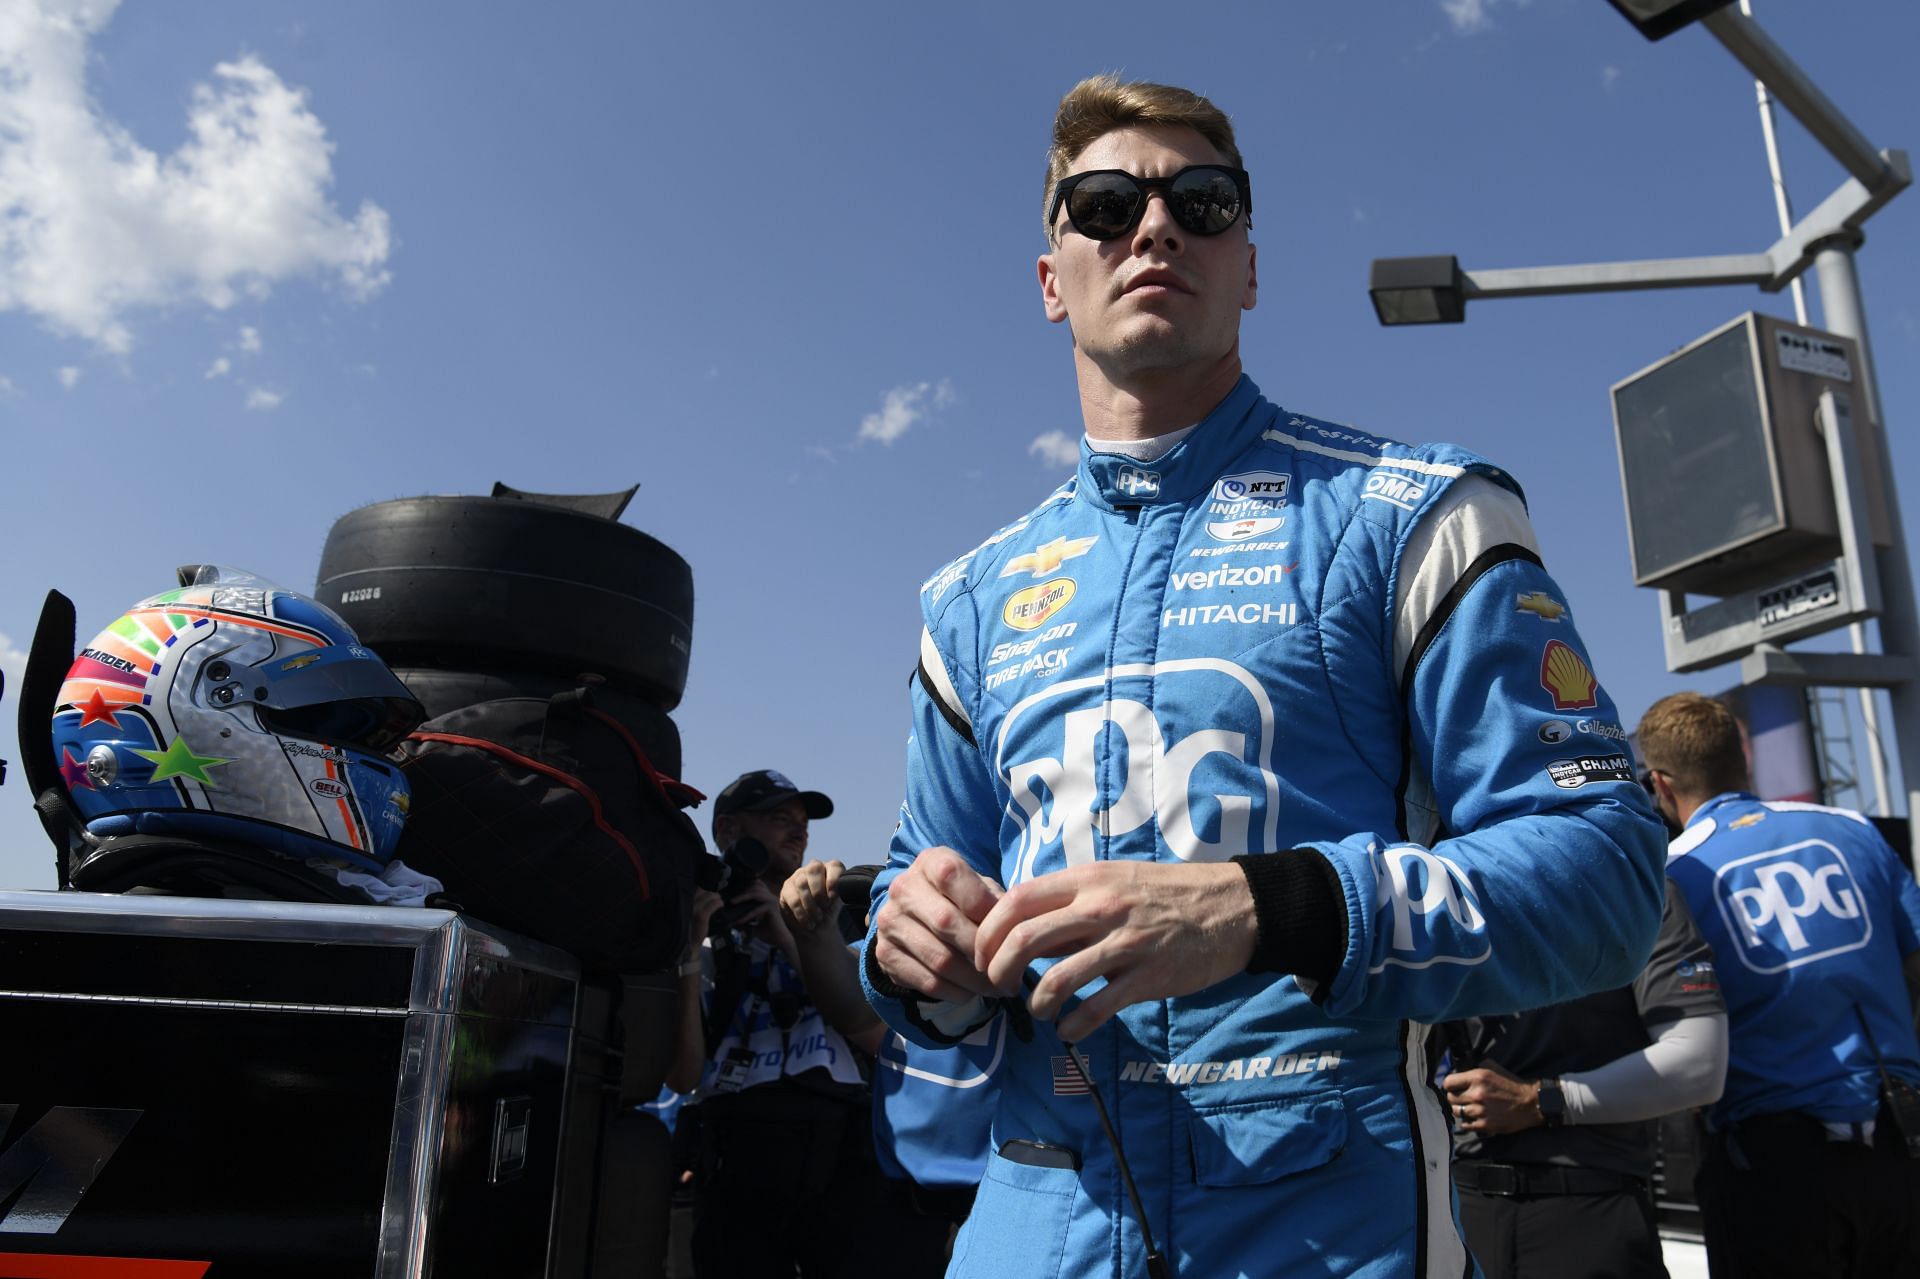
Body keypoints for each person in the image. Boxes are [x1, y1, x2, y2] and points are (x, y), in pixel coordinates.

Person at [859, 75, 1668, 1278]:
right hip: (1033, 1230)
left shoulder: (1416, 514)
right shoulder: (966, 602)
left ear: (1248, 265)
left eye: (1203, 198)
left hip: (1330, 1234)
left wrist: (1266, 907)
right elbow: (919, 895)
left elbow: (1609, 872)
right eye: (1102, 203)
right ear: (1050, 280)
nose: (1154, 225)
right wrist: (903, 948)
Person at [1637, 691, 1920, 1278]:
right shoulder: (1852, 830)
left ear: (1660, 783)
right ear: (1744, 757)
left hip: (1769, 1169)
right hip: (1899, 1146)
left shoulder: (1672, 876)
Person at [663, 769, 890, 1279]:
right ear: (727, 830)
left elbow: (877, 1036)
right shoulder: (695, 918)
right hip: (735, 1143)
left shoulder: (839, 909)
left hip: (842, 1141)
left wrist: (793, 936)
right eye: (777, 818)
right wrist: (690, 951)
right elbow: (681, 1076)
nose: (797, 832)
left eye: (802, 823)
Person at [1443, 879, 1727, 1279]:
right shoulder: (1443, 884)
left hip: (1588, 1208)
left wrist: (1540, 1101)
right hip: (1457, 1210)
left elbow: (1699, 1066)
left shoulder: (1634, 885)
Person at [780, 861, 997, 1243]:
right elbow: (860, 1018)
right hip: (900, 1200)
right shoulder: (904, 935)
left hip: (1005, 1197)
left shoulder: (1031, 932)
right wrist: (815, 932)